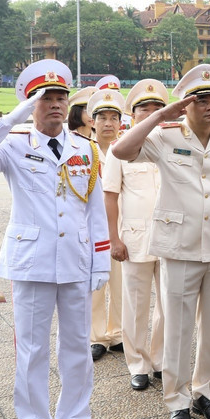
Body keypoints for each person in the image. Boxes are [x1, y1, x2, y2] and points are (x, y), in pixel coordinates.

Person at [0, 60, 108, 419]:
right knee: (31, 349)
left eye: (61, 97)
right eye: (46, 99)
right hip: (32, 261)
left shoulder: (86, 149)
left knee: (77, 345)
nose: (56, 105)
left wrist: (102, 262)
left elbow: (96, 212)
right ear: (31, 104)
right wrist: (12, 119)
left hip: (76, 259)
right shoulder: (13, 144)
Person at [112, 64, 210, 419]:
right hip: (179, 247)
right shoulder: (165, 136)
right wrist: (158, 115)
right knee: (178, 328)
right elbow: (122, 149)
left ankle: (205, 391)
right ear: (185, 105)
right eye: (200, 100)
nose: (209, 106)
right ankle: (177, 399)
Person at [103, 79, 168, 391]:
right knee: (136, 304)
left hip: (171, 239)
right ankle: (138, 364)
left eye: (158, 108)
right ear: (133, 114)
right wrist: (114, 239)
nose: (152, 113)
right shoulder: (120, 148)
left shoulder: (174, 145)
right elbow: (111, 196)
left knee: (170, 305)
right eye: (145, 109)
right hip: (134, 239)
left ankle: (161, 359)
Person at [85, 88, 127, 361]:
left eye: (114, 118)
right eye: (103, 118)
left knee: (123, 284)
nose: (108, 123)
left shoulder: (128, 149)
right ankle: (97, 337)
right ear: (92, 121)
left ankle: (119, 333)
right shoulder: (81, 149)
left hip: (124, 225)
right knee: (95, 285)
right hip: (91, 229)